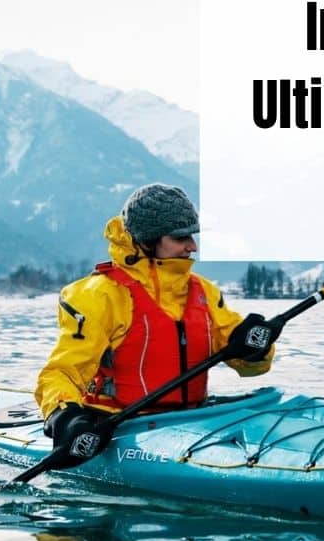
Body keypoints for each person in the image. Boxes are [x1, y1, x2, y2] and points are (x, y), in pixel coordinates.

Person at [34, 183, 283, 465]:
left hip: (194, 421)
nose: (193, 246)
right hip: (121, 427)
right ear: (148, 240)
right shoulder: (101, 296)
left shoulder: (204, 293)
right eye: (180, 237)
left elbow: (253, 369)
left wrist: (255, 347)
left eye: (192, 235)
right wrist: (65, 418)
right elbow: (59, 374)